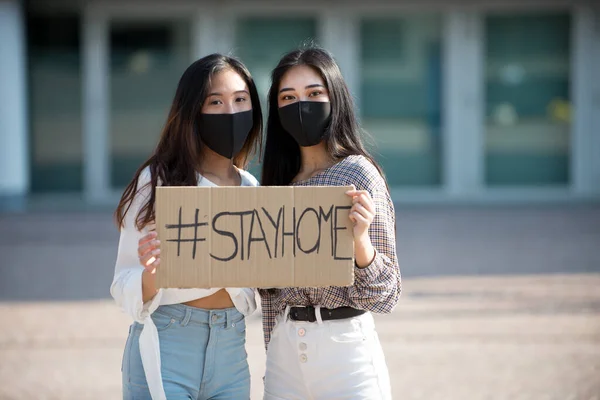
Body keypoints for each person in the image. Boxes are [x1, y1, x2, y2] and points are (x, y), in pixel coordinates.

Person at [111, 53, 263, 400]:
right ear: (193, 111)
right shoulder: (158, 180)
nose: (230, 112)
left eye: (241, 100)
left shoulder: (252, 189)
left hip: (232, 351)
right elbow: (122, 283)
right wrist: (151, 276)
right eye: (216, 101)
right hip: (168, 343)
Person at [259, 45, 401, 399]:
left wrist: (362, 244)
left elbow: (386, 296)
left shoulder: (358, 174)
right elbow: (269, 292)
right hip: (285, 353)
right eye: (288, 97)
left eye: (314, 93)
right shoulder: (276, 185)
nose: (301, 105)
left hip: (346, 351)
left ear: (334, 97)